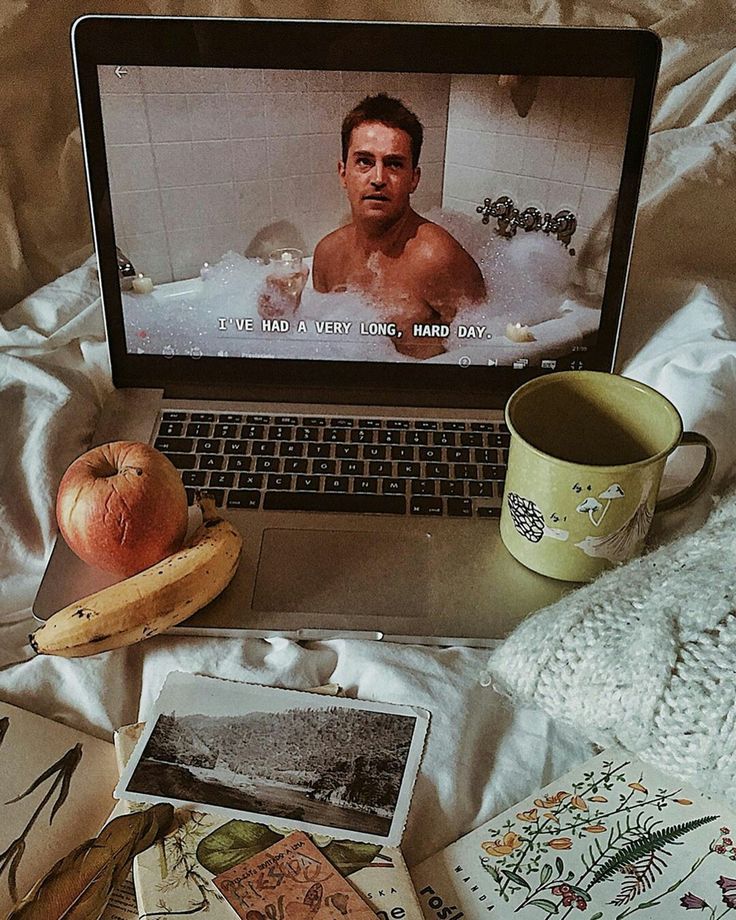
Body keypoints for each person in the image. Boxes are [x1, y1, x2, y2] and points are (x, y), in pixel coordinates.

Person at [312, 93, 486, 359]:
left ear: (413, 179)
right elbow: (319, 343)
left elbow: (485, 345)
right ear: (343, 173)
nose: (378, 178)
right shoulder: (327, 255)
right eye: (364, 162)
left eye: (394, 164)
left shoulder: (437, 258)